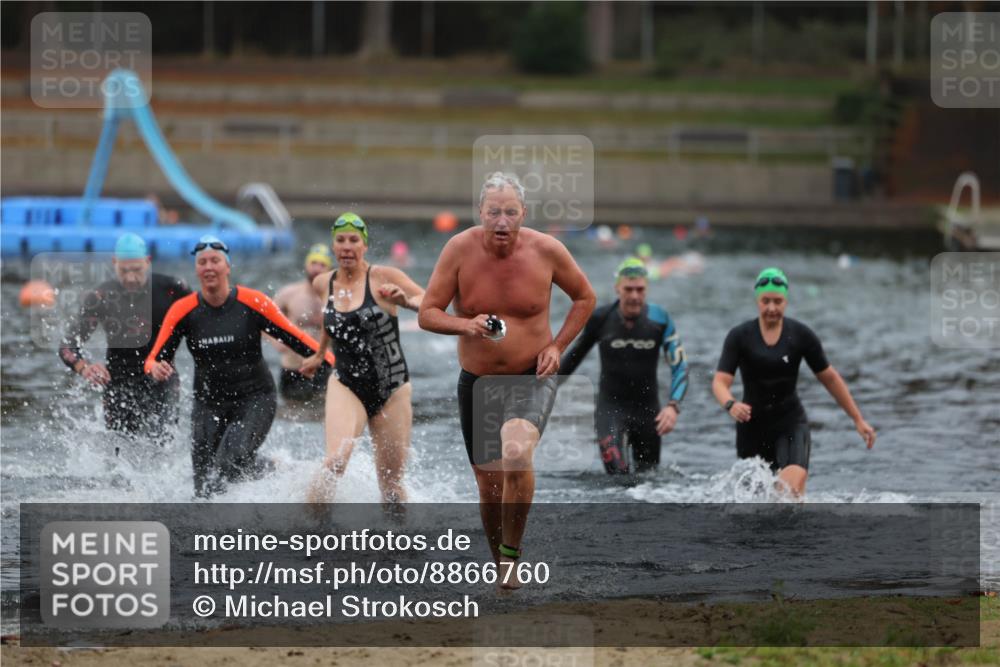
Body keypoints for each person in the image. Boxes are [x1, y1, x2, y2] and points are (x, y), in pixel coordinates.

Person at [418, 172, 595, 587]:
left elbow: (585, 298)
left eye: (510, 212)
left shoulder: (547, 250)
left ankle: (513, 556)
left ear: (523, 214)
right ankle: (500, 558)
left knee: (516, 452)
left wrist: (557, 346)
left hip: (530, 376)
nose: (502, 221)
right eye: (494, 212)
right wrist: (466, 324)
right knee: (489, 484)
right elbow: (428, 312)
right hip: (478, 383)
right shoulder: (458, 249)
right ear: (480, 213)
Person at [144, 235, 334, 497]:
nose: (209, 267)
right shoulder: (184, 310)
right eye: (202, 262)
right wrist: (155, 367)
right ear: (197, 269)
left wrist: (335, 365)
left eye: (215, 261)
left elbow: (298, 339)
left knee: (227, 465)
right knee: (203, 488)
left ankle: (267, 480)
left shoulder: (252, 302)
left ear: (227, 267)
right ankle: (218, 526)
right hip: (208, 403)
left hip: (254, 399)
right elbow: (155, 357)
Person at [711, 267, 876, 496]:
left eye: (778, 301)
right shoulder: (739, 337)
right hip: (751, 429)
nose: (771, 308)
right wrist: (731, 404)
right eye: (765, 301)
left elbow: (829, 378)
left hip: (790, 423)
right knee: (756, 503)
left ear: (786, 301)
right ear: (757, 300)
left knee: (789, 489)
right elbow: (720, 382)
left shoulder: (801, 336)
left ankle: (796, 531)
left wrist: (857, 419)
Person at [301, 213, 425, 508]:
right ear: (333, 246)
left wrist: (404, 301)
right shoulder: (323, 283)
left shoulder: (384, 277)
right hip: (346, 384)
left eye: (353, 240)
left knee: (392, 487)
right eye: (340, 240)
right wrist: (320, 354)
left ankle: (401, 547)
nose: (346, 246)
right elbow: (330, 322)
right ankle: (307, 533)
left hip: (392, 388)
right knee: (334, 463)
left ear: (364, 246)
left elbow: (427, 300)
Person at [58, 233, 191, 443]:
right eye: (124, 270)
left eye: (137, 270)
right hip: (118, 384)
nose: (130, 278)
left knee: (162, 448)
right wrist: (85, 368)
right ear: (114, 263)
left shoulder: (171, 289)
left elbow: (203, 322)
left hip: (162, 378)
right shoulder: (101, 296)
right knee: (120, 454)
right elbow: (67, 346)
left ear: (147, 262)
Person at [560, 258, 688, 475]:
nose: (635, 296)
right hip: (610, 410)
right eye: (629, 289)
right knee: (618, 480)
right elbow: (573, 358)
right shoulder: (601, 318)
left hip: (648, 412)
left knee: (648, 482)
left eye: (640, 289)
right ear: (617, 288)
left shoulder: (660, 319)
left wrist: (673, 406)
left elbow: (680, 367)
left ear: (646, 289)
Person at [269, 244, 334, 403]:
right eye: (313, 263)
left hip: (324, 367)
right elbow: (265, 318)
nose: (317, 268)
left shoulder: (336, 297)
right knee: (290, 414)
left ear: (329, 269)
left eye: (322, 265)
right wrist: (276, 342)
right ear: (306, 265)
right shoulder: (289, 294)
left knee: (323, 416)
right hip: (293, 368)